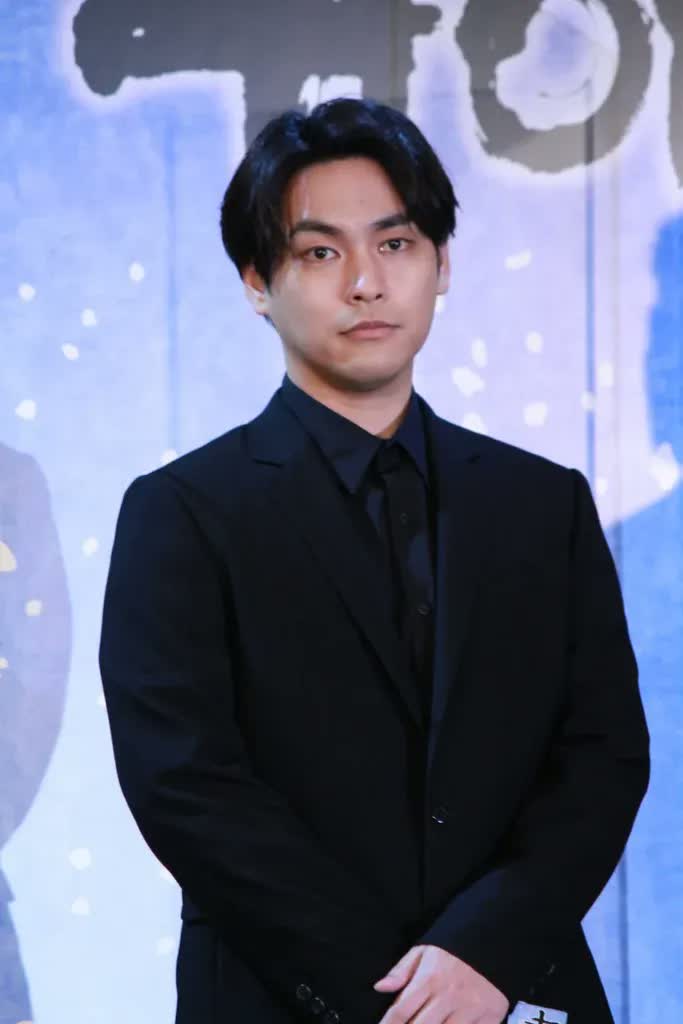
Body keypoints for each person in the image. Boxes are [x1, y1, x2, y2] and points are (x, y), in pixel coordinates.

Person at [98, 97, 650, 1024]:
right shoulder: (184, 512)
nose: (366, 282)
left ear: (441, 263)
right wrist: (392, 996)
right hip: (285, 998)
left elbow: (602, 755)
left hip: (513, 992)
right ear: (256, 282)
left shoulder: (541, 503)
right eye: (320, 253)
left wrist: (483, 954)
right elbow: (184, 786)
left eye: (395, 244)